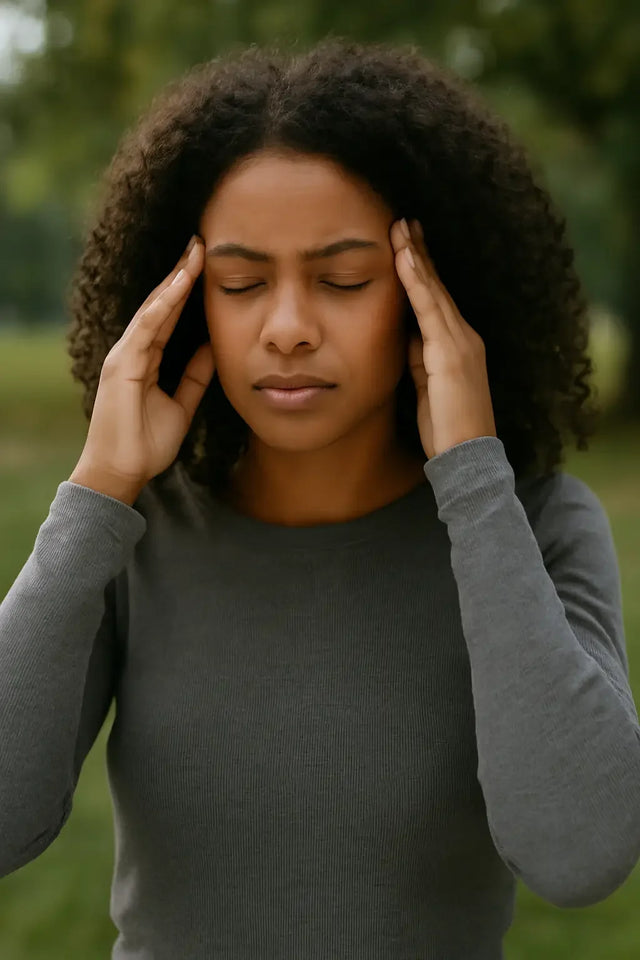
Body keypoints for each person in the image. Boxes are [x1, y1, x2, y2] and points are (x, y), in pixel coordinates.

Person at [1, 36, 639, 960]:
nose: (289, 328)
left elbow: (579, 854)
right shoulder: (135, 534)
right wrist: (97, 492)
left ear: (435, 295)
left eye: (343, 279)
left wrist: (473, 477)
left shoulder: (533, 525)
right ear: (186, 302)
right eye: (241, 282)